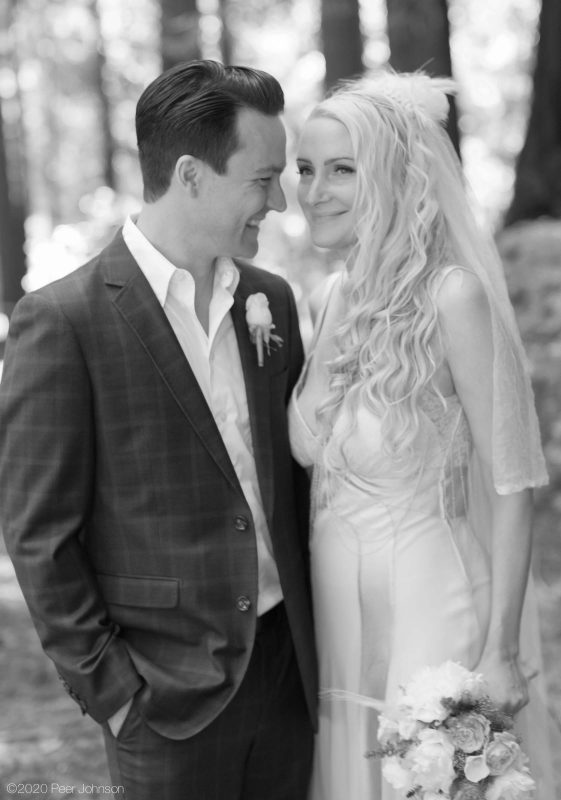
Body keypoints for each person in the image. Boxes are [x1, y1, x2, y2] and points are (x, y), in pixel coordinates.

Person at [0, 60, 317, 800]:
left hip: (290, 672)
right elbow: (39, 535)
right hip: (164, 698)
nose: (276, 201)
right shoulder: (64, 322)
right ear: (191, 175)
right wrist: (114, 695)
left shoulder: (270, 300)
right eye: (261, 179)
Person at [288, 71, 557, 799]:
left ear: (392, 178)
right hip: (336, 624)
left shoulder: (453, 296)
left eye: (342, 169)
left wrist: (499, 649)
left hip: (434, 610)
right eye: (305, 168)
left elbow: (511, 485)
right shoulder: (331, 297)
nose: (313, 191)